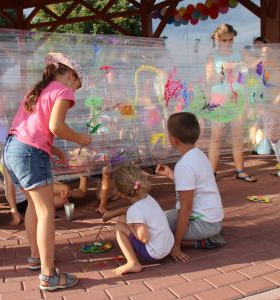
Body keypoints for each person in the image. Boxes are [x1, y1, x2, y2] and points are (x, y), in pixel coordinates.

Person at [3, 53, 90, 291]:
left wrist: (54, 150)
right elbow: (56, 126)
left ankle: (36, 257)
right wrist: (82, 138)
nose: (75, 92)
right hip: (29, 152)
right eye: (77, 85)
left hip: (12, 149)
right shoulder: (63, 90)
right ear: (71, 75)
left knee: (33, 206)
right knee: (46, 213)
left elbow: (34, 127)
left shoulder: (37, 89)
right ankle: (49, 275)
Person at [156, 112, 225, 262]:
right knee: (157, 219)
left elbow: (186, 210)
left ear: (173, 140)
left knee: (156, 231)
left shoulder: (184, 165)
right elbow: (194, 184)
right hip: (212, 221)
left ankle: (199, 241)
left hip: (203, 224)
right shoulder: (198, 154)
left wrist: (176, 245)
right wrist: (171, 175)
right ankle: (208, 235)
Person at [102, 162, 174, 275]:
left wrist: (130, 226)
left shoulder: (134, 210)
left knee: (118, 227)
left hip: (154, 254)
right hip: (167, 246)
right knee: (123, 219)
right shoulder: (147, 197)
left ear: (120, 193)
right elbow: (133, 210)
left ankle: (133, 263)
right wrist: (114, 213)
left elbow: (144, 238)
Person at [206, 24, 256, 182]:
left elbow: (254, 63)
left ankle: (240, 171)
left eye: (230, 40)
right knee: (216, 137)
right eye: (224, 40)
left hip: (237, 99)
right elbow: (209, 80)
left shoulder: (239, 53)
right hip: (219, 100)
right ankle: (210, 174)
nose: (228, 43)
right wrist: (223, 70)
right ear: (217, 38)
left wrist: (263, 54)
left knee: (237, 136)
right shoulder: (212, 57)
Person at [3, 168, 88, 226]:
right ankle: (38, 207)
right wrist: (14, 211)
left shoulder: (37, 146)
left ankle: (43, 202)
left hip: (36, 187)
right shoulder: (10, 153)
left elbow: (81, 192)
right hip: (23, 199)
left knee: (65, 191)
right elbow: (9, 185)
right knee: (62, 200)